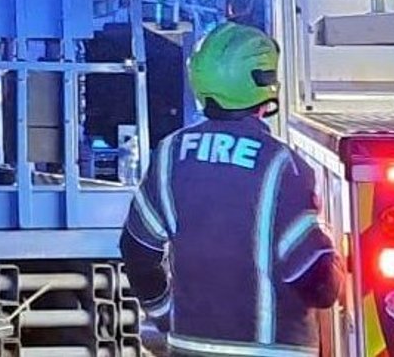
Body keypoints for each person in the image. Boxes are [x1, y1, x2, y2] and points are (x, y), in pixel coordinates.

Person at [122, 23, 339, 357]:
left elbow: (137, 250)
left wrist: (166, 315)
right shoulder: (280, 165)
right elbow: (318, 284)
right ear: (264, 81)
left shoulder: (170, 154)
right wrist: (338, 267)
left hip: (189, 348)